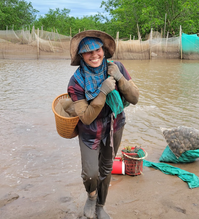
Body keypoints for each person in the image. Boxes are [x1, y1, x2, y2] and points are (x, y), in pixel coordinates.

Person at [67, 30, 139, 219]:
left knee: (106, 168)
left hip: (115, 125)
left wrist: (120, 79)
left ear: (104, 50)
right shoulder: (76, 81)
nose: (94, 55)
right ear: (81, 55)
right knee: (90, 173)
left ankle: (100, 205)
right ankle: (91, 196)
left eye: (97, 49)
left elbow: (135, 98)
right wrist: (103, 92)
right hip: (90, 130)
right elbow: (87, 118)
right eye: (88, 52)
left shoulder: (117, 67)